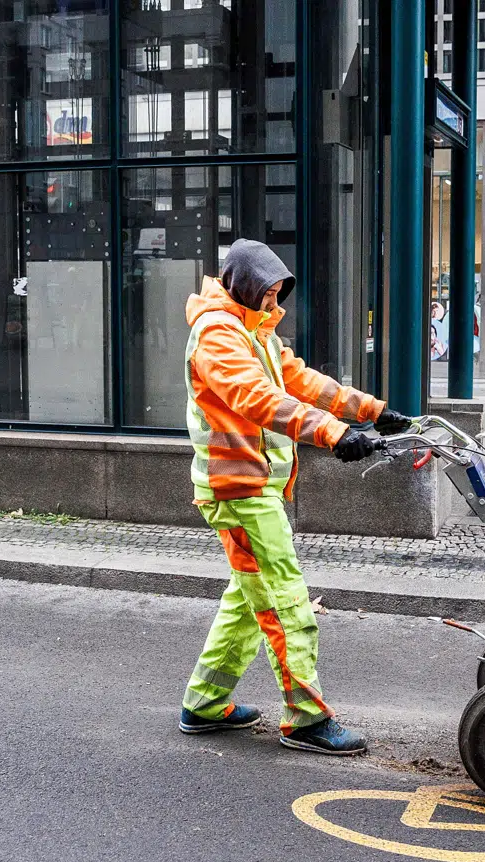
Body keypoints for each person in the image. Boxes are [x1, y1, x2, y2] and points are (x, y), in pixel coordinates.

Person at [178, 239, 412, 755]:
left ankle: (204, 702)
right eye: (268, 291)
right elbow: (258, 398)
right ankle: (306, 718)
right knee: (286, 602)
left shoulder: (254, 330)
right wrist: (334, 433)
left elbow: (301, 380)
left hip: (252, 487)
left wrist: (372, 411)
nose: (274, 301)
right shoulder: (218, 333)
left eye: (278, 293)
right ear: (245, 286)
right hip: (238, 490)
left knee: (249, 600)